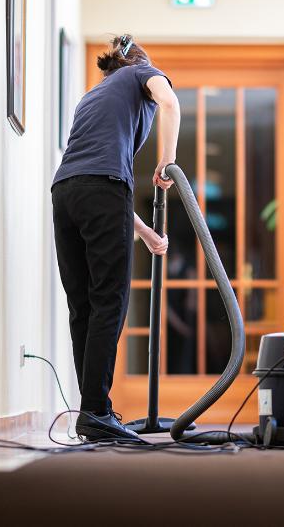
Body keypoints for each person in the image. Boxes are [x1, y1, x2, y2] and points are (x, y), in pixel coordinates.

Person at [51, 34, 180, 441]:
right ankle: (96, 411)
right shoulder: (142, 72)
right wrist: (167, 161)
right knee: (110, 301)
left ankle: (93, 411)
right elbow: (171, 103)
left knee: (83, 307)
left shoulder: (89, 99)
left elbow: (93, 177)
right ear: (137, 63)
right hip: (103, 191)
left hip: (65, 193)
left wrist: (142, 232)